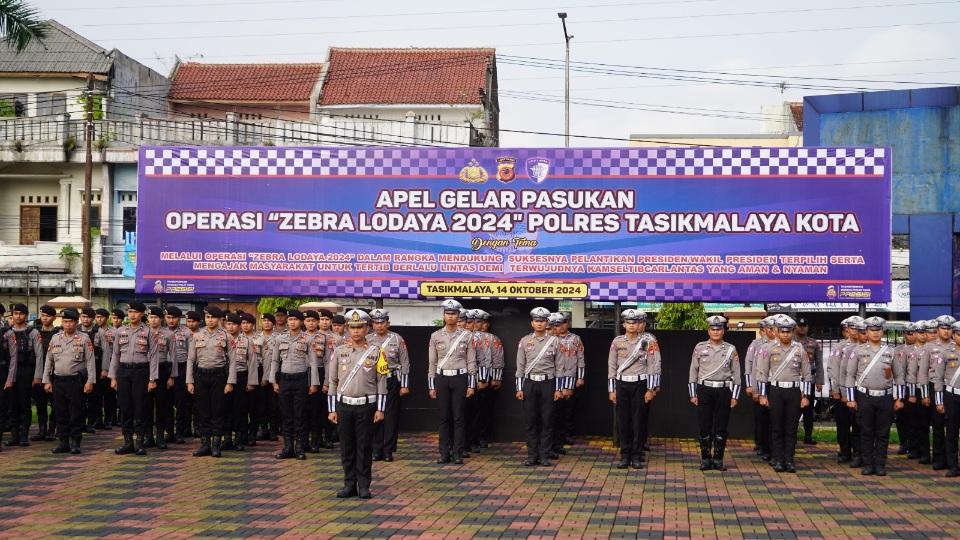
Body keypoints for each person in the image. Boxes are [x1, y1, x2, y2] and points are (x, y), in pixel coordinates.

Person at [328, 309, 388, 499]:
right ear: (347, 328)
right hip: (344, 406)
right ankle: (349, 484)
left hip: (367, 405)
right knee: (347, 447)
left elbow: (382, 381)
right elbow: (332, 382)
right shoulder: (338, 352)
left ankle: (364, 485)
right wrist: (331, 409)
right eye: (352, 327)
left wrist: (380, 408)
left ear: (366, 328)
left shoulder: (377, 352)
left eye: (360, 327)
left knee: (364, 447)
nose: (356, 331)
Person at [844, 316, 904, 476]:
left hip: (885, 397)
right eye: (872, 330)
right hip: (865, 396)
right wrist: (850, 398)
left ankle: (880, 464)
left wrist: (899, 398)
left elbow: (899, 376)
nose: (875, 333)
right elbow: (850, 376)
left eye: (878, 330)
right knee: (866, 431)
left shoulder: (890, 351)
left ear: (882, 331)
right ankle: (868, 463)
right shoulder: (858, 351)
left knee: (883, 432)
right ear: (867, 332)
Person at [756, 315, 813, 473]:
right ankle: (779, 459)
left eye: (788, 332)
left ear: (793, 332)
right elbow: (762, 373)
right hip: (776, 391)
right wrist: (762, 395)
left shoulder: (799, 348)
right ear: (777, 332)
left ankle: (789, 460)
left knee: (791, 428)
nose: (786, 334)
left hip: (794, 392)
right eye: (782, 331)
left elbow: (807, 374)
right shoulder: (768, 348)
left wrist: (806, 396)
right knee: (776, 427)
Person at [607, 309, 662, 469]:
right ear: (623, 324)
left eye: (635, 323)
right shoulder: (617, 342)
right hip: (622, 384)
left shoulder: (647, 342)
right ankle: (625, 455)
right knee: (623, 421)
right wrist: (612, 389)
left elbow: (653, 365)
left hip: (640, 384)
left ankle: (636, 456)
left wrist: (651, 389)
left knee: (638, 421)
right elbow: (611, 365)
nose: (632, 326)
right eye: (629, 323)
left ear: (640, 324)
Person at [688, 315, 741, 471]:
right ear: (708, 330)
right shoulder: (700, 347)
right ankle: (705, 459)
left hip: (724, 390)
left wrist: (735, 396)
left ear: (723, 331)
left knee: (721, 426)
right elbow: (693, 371)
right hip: (704, 390)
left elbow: (736, 373)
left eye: (719, 329)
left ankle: (718, 459)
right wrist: (692, 393)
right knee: (704, 425)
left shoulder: (731, 349)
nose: (716, 332)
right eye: (713, 329)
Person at [428, 299, 476, 464]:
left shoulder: (467, 335)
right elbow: (432, 363)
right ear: (443, 315)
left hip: (460, 377)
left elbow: (471, 362)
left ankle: (457, 453)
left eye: (454, 313)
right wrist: (431, 385)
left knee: (458, 417)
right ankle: (443, 453)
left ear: (458, 315)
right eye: (448, 313)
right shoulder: (435, 336)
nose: (450, 316)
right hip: (442, 378)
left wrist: (471, 384)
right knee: (443, 418)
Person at [186, 306, 238, 458]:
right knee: (203, 411)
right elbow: (191, 360)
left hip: (219, 376)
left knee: (217, 410)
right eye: (208, 317)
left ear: (219, 319)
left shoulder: (226, 336)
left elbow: (233, 361)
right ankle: (204, 444)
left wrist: (230, 382)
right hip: (201, 376)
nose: (210, 320)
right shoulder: (197, 335)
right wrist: (190, 381)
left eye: (213, 317)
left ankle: (216, 444)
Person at [41, 309, 95, 455]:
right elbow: (48, 361)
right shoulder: (55, 338)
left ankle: (75, 442)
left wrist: (90, 381)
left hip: (75, 381)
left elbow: (90, 362)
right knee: (60, 412)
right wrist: (46, 380)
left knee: (76, 412)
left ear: (76, 323)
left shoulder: (84, 338)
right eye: (65, 322)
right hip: (58, 380)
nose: (68, 324)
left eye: (71, 322)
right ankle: (63, 441)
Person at [269, 309, 320, 460]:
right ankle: (287, 447)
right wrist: (274, 381)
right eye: (290, 319)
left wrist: (313, 383)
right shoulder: (280, 338)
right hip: (284, 380)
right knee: (286, 415)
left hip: (301, 380)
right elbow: (275, 361)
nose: (292, 322)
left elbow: (313, 364)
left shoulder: (307, 339)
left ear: (301, 322)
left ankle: (299, 447)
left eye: (295, 320)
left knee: (300, 414)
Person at [109, 302, 159, 456]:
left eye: (136, 312)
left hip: (141, 372)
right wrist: (113, 376)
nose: (132, 315)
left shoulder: (149, 331)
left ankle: (140, 442)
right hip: (124, 372)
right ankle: (127, 442)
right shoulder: (120, 331)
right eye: (130, 312)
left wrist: (152, 379)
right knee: (125, 407)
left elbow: (154, 356)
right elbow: (115, 355)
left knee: (140, 407)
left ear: (142, 314)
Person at [515, 307, 563, 466]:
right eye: (537, 321)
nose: (540, 324)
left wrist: (559, 388)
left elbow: (560, 367)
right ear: (532, 323)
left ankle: (544, 455)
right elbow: (520, 367)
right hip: (529, 384)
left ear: (547, 322)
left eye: (542, 321)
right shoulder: (524, 341)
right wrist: (519, 388)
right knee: (531, 421)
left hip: (548, 383)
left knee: (547, 420)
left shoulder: (554, 341)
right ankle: (531, 455)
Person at [367, 308, 409, 462]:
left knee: (391, 416)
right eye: (376, 323)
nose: (379, 326)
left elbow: (405, 363)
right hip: (372, 381)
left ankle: (388, 450)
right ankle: (376, 450)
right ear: (372, 324)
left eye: (382, 322)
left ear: (388, 323)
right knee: (375, 415)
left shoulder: (397, 339)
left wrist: (404, 385)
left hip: (391, 380)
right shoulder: (367, 340)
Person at [3, 304, 43, 446]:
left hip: (27, 370)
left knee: (24, 402)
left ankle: (24, 435)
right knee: (11, 403)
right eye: (15, 313)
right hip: (10, 370)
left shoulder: (33, 332)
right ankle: (14, 435)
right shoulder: (7, 332)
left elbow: (39, 355)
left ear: (26, 316)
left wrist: (37, 376)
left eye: (21, 313)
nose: (18, 316)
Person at [831, 316, 864, 465]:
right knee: (843, 424)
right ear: (848, 330)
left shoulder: (866, 347)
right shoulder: (841, 348)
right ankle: (845, 451)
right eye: (853, 328)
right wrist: (837, 391)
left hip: (861, 390)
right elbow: (835, 371)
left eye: (859, 328)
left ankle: (859, 452)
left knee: (859, 424)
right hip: (844, 391)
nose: (856, 331)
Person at [223, 312, 258, 451]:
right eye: (228, 324)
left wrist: (251, 382)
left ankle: (239, 438)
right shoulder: (222, 339)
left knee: (240, 409)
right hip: (224, 377)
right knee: (225, 408)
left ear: (239, 326)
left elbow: (253, 362)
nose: (230, 327)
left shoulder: (246, 341)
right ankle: (227, 438)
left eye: (233, 324)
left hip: (241, 376)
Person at [552, 312, 585, 456]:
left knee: (567, 410)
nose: (561, 326)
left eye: (564, 322)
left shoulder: (575, 339)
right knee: (554, 411)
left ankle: (565, 435)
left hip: (570, 377)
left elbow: (581, 358)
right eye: (558, 324)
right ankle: (555, 440)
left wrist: (580, 377)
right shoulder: (550, 339)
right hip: (553, 378)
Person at [145, 306, 177, 449]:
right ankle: (148, 436)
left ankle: (160, 436)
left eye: (156, 317)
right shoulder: (143, 333)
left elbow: (174, 357)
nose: (153, 320)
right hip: (145, 370)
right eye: (151, 317)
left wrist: (172, 376)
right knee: (145, 405)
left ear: (161, 319)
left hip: (162, 370)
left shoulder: (168, 334)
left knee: (161, 405)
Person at [744, 316, 775, 461]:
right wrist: (752, 386)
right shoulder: (756, 344)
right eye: (770, 328)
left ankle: (773, 447)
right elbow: (750, 366)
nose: (773, 331)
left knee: (774, 419)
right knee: (762, 419)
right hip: (761, 385)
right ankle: (763, 445)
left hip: (775, 385)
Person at [932, 320, 960, 477]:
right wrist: (939, 401)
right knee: (951, 432)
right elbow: (938, 379)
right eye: (959, 334)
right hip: (952, 396)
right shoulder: (945, 353)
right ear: (954, 335)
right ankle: (953, 465)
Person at [33, 305, 60, 441]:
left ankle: (51, 429)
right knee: (40, 402)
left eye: (48, 316)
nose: (44, 318)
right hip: (38, 371)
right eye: (43, 315)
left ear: (54, 318)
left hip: (54, 372)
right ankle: (42, 429)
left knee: (55, 403)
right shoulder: (35, 333)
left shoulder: (58, 333)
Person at [165, 306, 192, 444]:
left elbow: (191, 355)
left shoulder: (186, 333)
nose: (171, 320)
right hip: (165, 368)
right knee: (166, 402)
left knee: (181, 402)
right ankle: (169, 432)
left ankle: (180, 432)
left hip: (182, 368)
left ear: (179, 319)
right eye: (168, 317)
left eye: (174, 317)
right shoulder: (160, 332)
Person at [795, 317, 822, 445]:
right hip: (794, 379)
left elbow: (819, 363)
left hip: (809, 380)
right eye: (800, 325)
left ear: (807, 328)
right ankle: (792, 434)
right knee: (793, 409)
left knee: (808, 409)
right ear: (795, 327)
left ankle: (808, 435)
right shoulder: (791, 341)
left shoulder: (813, 343)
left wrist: (819, 381)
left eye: (804, 325)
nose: (802, 328)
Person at [255, 312, 280, 441]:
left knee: (273, 405)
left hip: (274, 374)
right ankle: (263, 428)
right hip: (259, 373)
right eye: (264, 320)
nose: (266, 323)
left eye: (269, 321)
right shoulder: (256, 337)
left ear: (273, 323)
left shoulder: (279, 338)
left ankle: (273, 430)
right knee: (260, 403)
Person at [0, 304, 16, 451]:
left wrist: (10, 378)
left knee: (1, 407)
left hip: (2, 371)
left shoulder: (7, 333)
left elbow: (13, 357)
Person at [93, 308, 113, 430]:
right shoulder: (95, 331)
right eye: (97, 317)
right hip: (96, 364)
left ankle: (109, 420)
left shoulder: (113, 331)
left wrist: (105, 369)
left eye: (101, 317)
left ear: (107, 318)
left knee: (109, 395)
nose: (98, 319)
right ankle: (98, 419)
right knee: (96, 395)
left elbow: (110, 351)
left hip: (109, 365)